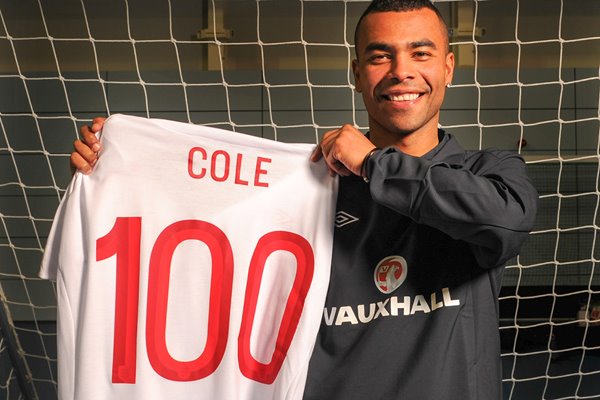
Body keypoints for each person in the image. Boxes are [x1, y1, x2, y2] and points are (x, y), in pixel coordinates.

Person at [71, 0, 538, 399]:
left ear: (448, 67)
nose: (402, 72)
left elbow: (504, 223)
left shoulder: (489, 173)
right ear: (357, 73)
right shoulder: (311, 187)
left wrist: (375, 163)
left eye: (421, 53)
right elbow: (195, 226)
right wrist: (117, 175)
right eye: (380, 56)